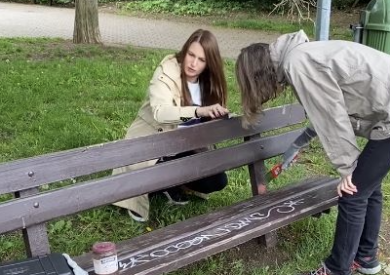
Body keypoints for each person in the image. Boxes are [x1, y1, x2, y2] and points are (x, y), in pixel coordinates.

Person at [235, 30, 390, 275]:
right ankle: (366, 259)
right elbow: (328, 106)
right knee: (368, 187)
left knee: (353, 193)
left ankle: (336, 269)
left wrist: (347, 167)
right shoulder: (302, 56)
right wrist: (299, 142)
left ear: (256, 73)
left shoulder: (299, 63)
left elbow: (331, 116)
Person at [113, 29, 229, 223]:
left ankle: (169, 184)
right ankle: (150, 188)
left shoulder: (207, 82)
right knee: (152, 174)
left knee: (217, 181)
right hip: (152, 147)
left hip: (184, 147)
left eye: (201, 60)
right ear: (184, 51)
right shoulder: (166, 72)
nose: (193, 63)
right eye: (191, 55)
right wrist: (197, 111)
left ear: (209, 63)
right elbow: (161, 113)